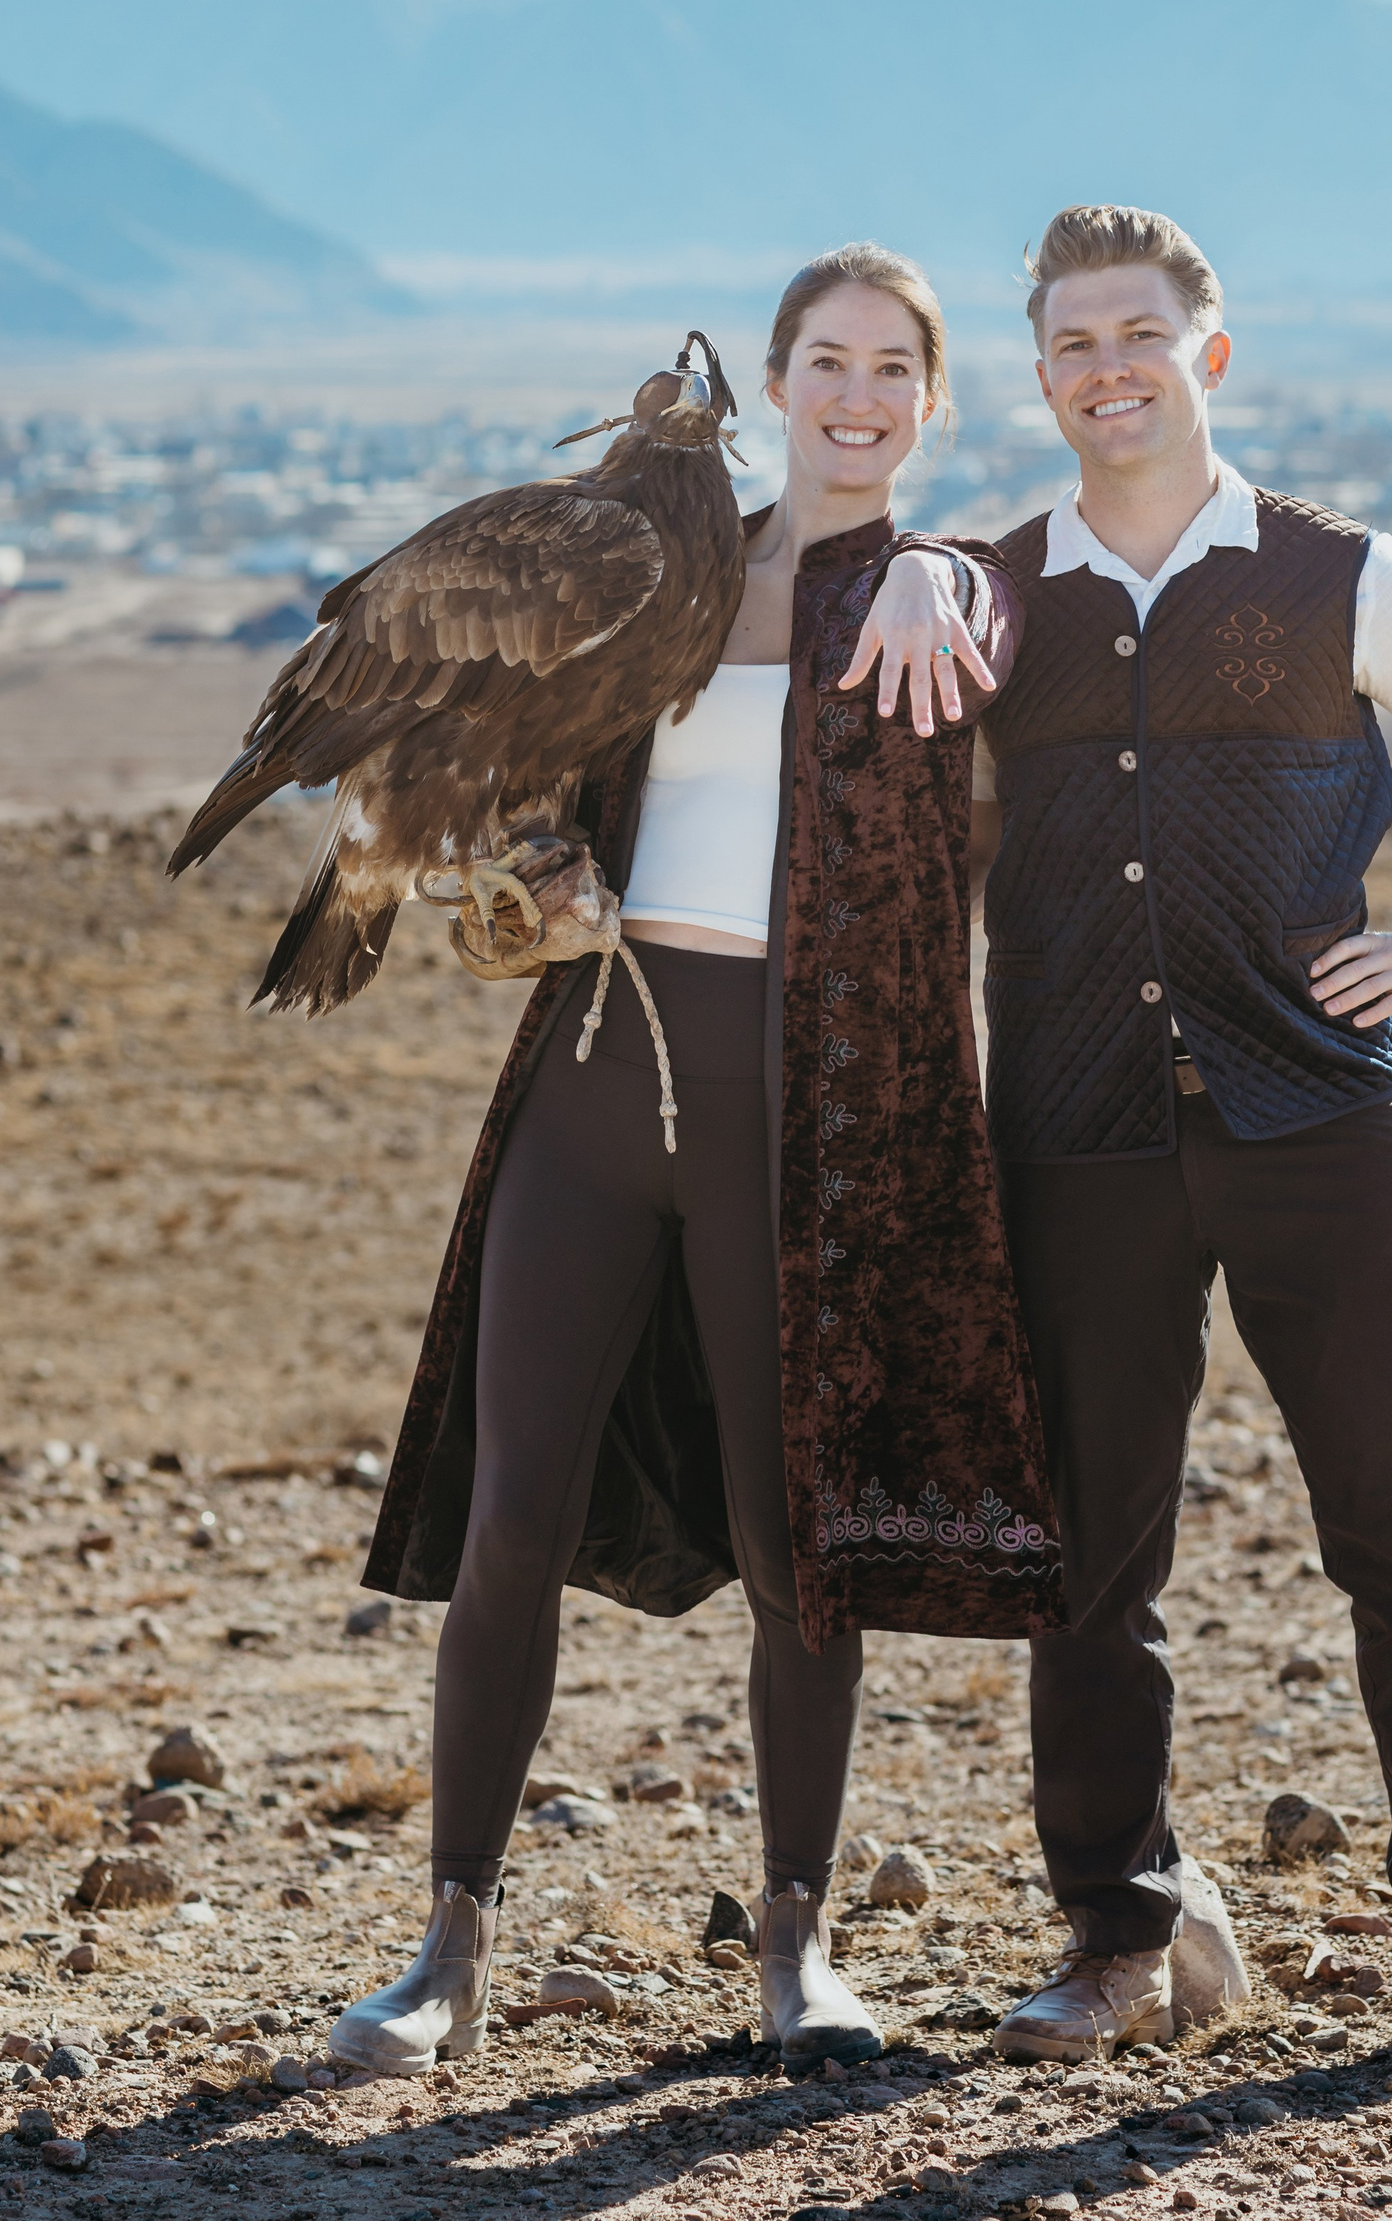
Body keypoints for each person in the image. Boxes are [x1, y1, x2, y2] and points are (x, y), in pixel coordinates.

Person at [332, 245, 1063, 2078]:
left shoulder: (939, 593)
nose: (857, 397)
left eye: (893, 370)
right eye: (828, 362)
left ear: (932, 402)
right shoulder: (651, 581)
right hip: (594, 1073)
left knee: (789, 1532)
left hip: (800, 1124)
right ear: (775, 381)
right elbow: (504, 770)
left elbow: (1014, 613)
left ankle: (797, 1945)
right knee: (509, 1516)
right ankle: (446, 1947)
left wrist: (941, 566)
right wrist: (512, 880)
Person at [898, 202, 1392, 2070]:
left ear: (1208, 351)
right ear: (1041, 377)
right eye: (1072, 344)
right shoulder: (987, 592)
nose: (1107, 369)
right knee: (1088, 1560)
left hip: (1319, 1113)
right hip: (1073, 1127)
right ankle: (1117, 1932)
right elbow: (932, 838)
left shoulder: (1349, 575)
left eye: (1139, 335)